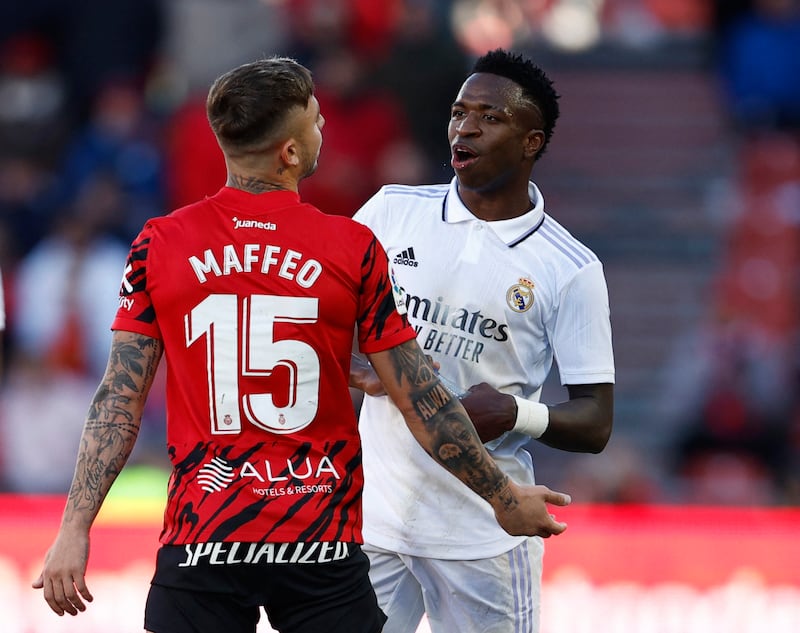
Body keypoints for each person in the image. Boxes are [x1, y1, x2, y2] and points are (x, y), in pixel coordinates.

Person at [32, 56, 572, 633]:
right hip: (319, 548)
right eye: (315, 122)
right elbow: (424, 401)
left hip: (205, 540)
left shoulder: (159, 244)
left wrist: (74, 529)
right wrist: (503, 498)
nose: (323, 130)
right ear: (289, 153)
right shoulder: (350, 247)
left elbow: (118, 400)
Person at [350, 48, 615, 633]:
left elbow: (596, 422)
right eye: (458, 111)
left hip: (487, 535)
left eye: (489, 116)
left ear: (531, 142)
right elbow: (321, 318)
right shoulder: (391, 212)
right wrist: (358, 366)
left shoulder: (568, 267)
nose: (464, 126)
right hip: (375, 525)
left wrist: (516, 412)